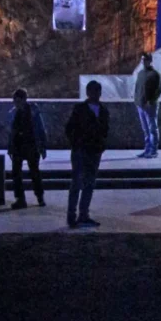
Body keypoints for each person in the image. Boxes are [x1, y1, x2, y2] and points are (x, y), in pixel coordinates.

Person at [66, 80, 109, 228]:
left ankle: (82, 215)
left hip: (93, 150)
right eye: (95, 91)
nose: (96, 94)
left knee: (88, 184)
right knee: (78, 183)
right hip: (82, 150)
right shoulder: (82, 109)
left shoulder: (101, 110)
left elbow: (105, 131)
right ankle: (74, 215)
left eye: (98, 92)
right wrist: (77, 144)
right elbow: (70, 129)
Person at [7, 88, 47, 209]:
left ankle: (39, 196)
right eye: (15, 101)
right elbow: (11, 132)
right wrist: (10, 147)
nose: (16, 104)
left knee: (34, 172)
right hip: (19, 146)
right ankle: (21, 198)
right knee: (17, 173)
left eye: (18, 101)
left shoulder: (33, 112)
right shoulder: (15, 112)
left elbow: (40, 129)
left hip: (31, 145)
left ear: (24, 100)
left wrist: (43, 147)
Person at [134, 52, 161, 159]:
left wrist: (151, 101)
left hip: (150, 106)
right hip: (140, 105)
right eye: (142, 60)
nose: (143, 62)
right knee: (145, 129)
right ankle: (147, 149)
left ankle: (153, 150)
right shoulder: (140, 73)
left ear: (150, 61)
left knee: (152, 128)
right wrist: (136, 100)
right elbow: (137, 88)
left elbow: (158, 90)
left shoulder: (155, 74)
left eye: (145, 60)